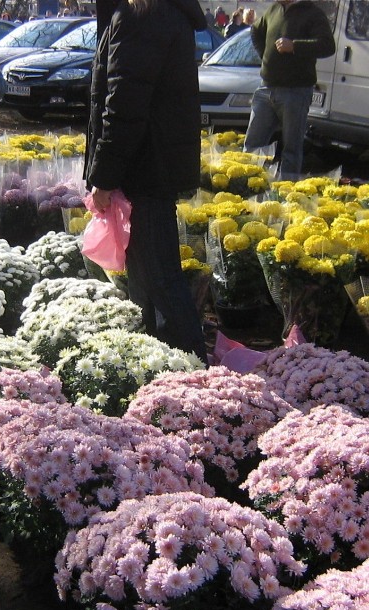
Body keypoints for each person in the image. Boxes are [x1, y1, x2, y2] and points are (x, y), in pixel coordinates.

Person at [85, 0, 209, 365]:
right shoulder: (158, 13)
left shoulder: (143, 16)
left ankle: (194, 375)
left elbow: (124, 104)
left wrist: (104, 176)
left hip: (145, 168)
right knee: (147, 281)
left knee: (160, 281)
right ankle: (158, 369)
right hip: (150, 164)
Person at [243, 0, 335, 178]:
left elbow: (328, 46)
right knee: (252, 144)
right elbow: (255, 30)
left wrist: (295, 46)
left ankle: (285, 193)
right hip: (266, 88)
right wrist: (266, 56)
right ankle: (247, 188)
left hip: (296, 91)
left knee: (291, 149)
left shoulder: (313, 14)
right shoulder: (273, 10)